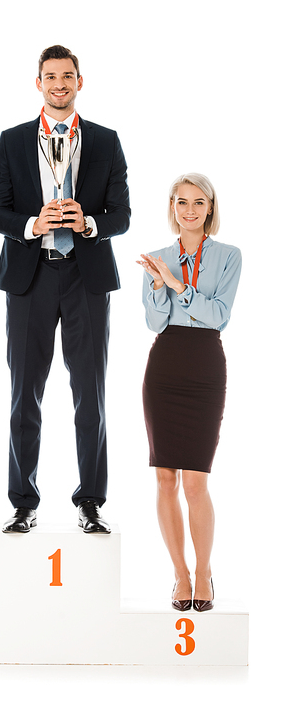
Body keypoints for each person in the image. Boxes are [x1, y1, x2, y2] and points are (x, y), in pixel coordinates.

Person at [0, 45, 130, 534]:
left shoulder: (107, 142)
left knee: (90, 395)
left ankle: (90, 501)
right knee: (23, 394)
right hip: (29, 280)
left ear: (79, 81)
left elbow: (123, 215)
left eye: (67, 76)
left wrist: (89, 222)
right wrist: (32, 223)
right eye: (50, 76)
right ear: (39, 83)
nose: (59, 84)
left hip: (85, 279)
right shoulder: (11, 142)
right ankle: (24, 502)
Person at [137, 173, 241, 611]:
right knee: (164, 478)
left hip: (203, 366)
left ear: (210, 208)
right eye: (183, 202)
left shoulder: (229, 256)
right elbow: (154, 322)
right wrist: (160, 286)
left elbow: (217, 315)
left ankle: (204, 572)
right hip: (164, 366)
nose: (191, 210)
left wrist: (177, 285)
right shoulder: (158, 257)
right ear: (173, 207)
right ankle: (180, 574)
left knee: (195, 481)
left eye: (200, 202)